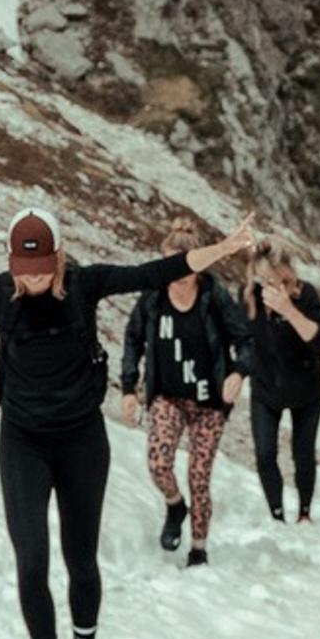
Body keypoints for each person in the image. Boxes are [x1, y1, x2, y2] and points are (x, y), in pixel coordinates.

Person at [0, 207, 254, 639]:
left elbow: (156, 271)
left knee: (81, 559)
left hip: (82, 441)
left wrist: (223, 249)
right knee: (32, 560)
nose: (32, 278)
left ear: (58, 259)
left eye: (40, 268)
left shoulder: (85, 285)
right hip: (22, 443)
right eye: (23, 269)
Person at [120, 226, 252, 566]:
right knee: (159, 463)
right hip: (167, 396)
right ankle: (175, 505)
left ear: (197, 265)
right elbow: (133, 338)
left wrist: (238, 372)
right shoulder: (153, 297)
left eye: (182, 265)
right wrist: (128, 388)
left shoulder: (214, 296)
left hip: (209, 403)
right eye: (168, 265)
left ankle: (198, 549)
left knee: (199, 475)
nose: (174, 273)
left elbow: (246, 340)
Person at [244, 243, 320, 521]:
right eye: (266, 279)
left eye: (279, 279)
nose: (271, 285)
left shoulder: (306, 295)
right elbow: (242, 338)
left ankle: (304, 513)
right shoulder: (250, 297)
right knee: (265, 453)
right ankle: (277, 514)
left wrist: (289, 311)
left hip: (306, 390)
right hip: (265, 388)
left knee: (303, 454)